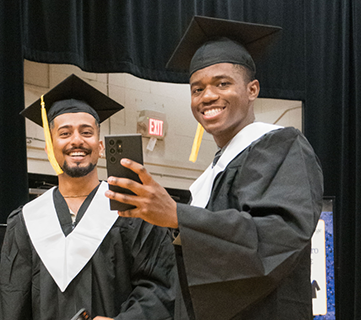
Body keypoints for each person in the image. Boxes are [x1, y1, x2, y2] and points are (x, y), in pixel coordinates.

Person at [104, 16, 324, 319]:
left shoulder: (281, 146)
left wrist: (178, 216)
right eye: (197, 89)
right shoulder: (212, 173)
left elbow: (276, 239)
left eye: (222, 83)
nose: (207, 96)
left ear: (252, 89)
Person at [0, 74, 176, 320]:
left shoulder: (133, 211)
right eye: (64, 133)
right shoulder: (26, 222)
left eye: (86, 132)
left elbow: (160, 288)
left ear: (100, 147)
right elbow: (9, 303)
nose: (77, 140)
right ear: (49, 148)